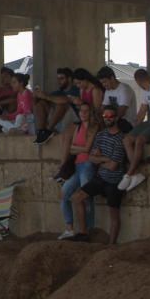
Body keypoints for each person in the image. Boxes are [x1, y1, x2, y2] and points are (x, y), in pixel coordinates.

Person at [69, 105, 127, 244]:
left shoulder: (120, 139)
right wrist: (106, 159)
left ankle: (111, 245)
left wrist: (101, 159)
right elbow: (91, 158)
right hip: (101, 177)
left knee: (114, 214)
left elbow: (113, 167)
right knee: (77, 197)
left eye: (110, 116)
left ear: (116, 118)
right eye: (104, 116)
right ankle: (83, 233)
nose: (107, 119)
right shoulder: (101, 135)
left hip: (114, 181)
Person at [57, 101, 99, 240]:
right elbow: (72, 148)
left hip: (87, 164)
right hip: (78, 164)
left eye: (86, 111)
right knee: (64, 194)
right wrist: (81, 148)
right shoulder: (78, 127)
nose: (83, 113)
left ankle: (87, 230)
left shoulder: (94, 127)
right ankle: (70, 228)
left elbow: (85, 148)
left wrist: (78, 148)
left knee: (85, 197)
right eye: (81, 111)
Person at [33, 67, 79, 144]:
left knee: (61, 104)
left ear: (69, 79)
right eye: (58, 79)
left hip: (72, 122)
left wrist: (46, 96)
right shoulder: (56, 93)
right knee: (40, 104)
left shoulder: (75, 90)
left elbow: (65, 100)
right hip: (57, 122)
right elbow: (36, 106)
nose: (59, 81)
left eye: (62, 78)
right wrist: (36, 96)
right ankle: (41, 132)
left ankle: (48, 131)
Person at [97, 66, 135, 132]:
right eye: (102, 83)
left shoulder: (124, 89)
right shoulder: (108, 90)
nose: (103, 85)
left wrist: (106, 119)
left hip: (126, 122)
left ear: (112, 78)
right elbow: (103, 108)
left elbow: (121, 112)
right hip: (112, 120)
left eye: (105, 82)